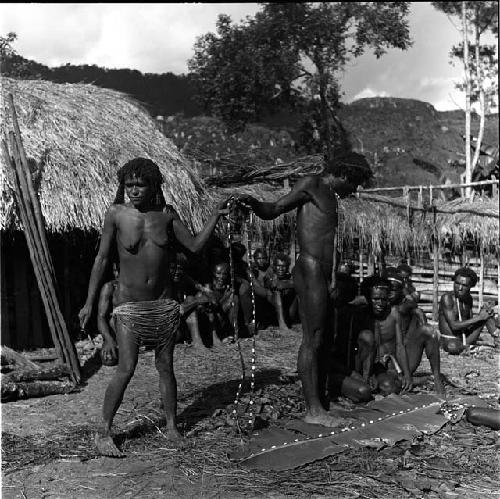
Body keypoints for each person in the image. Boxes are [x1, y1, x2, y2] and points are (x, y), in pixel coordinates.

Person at [78, 157, 230, 456]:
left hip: (163, 306)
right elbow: (102, 259)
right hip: (130, 308)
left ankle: (172, 427)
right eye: (129, 184)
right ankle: (104, 431)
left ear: (153, 185)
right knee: (126, 368)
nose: (134, 190)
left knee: (165, 367)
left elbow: (196, 246)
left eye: (140, 184)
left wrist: (214, 216)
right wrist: (89, 301)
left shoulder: (167, 216)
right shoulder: (116, 215)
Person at [236, 156, 370, 427]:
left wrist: (333, 277)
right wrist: (251, 203)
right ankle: (313, 411)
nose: (354, 190)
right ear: (343, 174)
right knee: (313, 338)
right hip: (309, 267)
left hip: (322, 271)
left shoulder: (332, 197)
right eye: (354, 183)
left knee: (323, 340)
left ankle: (320, 401)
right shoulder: (312, 184)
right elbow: (274, 209)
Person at [383, 267, 445, 395]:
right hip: (382, 362)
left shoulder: (406, 306)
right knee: (389, 386)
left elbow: (417, 315)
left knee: (428, 331)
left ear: (401, 291)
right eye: (387, 289)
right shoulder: (374, 307)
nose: (390, 293)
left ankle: (437, 378)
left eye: (394, 289)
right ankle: (420, 380)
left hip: (403, 358)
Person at [355, 276, 413, 396]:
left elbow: (400, 345)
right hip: (363, 366)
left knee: (391, 387)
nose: (380, 303)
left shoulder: (393, 313)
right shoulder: (360, 314)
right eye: (376, 299)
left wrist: (407, 375)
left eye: (383, 299)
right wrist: (367, 374)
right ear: (367, 298)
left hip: (383, 366)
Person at [328, 272, 372, 403]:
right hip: (328, 371)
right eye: (339, 291)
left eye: (346, 292)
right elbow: (325, 357)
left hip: (344, 370)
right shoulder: (325, 315)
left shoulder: (350, 313)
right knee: (363, 391)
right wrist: (352, 374)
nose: (340, 295)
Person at [438, 267, 498, 354]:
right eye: (457, 283)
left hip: (464, 338)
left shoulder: (468, 299)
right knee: (452, 347)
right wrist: (479, 318)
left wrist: (483, 312)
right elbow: (454, 326)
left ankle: (498, 339)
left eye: (464, 285)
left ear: (471, 286)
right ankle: (468, 348)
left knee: (486, 312)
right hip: (450, 339)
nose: (460, 288)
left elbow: (468, 325)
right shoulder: (447, 298)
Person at [168, 253, 213, 349]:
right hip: (166, 328)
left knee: (192, 299)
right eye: (173, 268)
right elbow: (175, 311)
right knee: (192, 301)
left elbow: (204, 290)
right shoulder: (162, 284)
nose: (177, 272)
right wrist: (197, 301)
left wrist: (204, 295)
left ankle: (200, 339)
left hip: (179, 324)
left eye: (180, 269)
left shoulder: (183, 278)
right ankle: (196, 340)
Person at [265, 253, 299, 333]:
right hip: (272, 311)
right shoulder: (270, 276)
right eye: (278, 266)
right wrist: (288, 284)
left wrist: (286, 284)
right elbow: (273, 284)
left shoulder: (290, 277)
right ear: (274, 266)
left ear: (287, 267)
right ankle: (282, 324)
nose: (281, 268)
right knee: (277, 292)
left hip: (289, 312)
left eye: (283, 266)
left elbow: (297, 284)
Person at [97, 262, 120, 367]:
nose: (117, 274)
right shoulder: (110, 287)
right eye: (115, 271)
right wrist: (109, 339)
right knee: (108, 359)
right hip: (115, 332)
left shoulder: (137, 286)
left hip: (135, 331)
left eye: (120, 270)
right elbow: (101, 316)